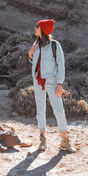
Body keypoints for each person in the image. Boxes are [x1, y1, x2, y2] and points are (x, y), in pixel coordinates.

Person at [27, 19, 75, 152]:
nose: (35, 28)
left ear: (43, 29)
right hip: (38, 80)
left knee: (59, 110)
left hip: (53, 81)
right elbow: (36, 63)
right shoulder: (36, 44)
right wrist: (30, 55)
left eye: (37, 27)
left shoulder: (55, 45)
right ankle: (43, 140)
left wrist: (59, 84)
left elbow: (61, 65)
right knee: (40, 110)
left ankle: (64, 140)